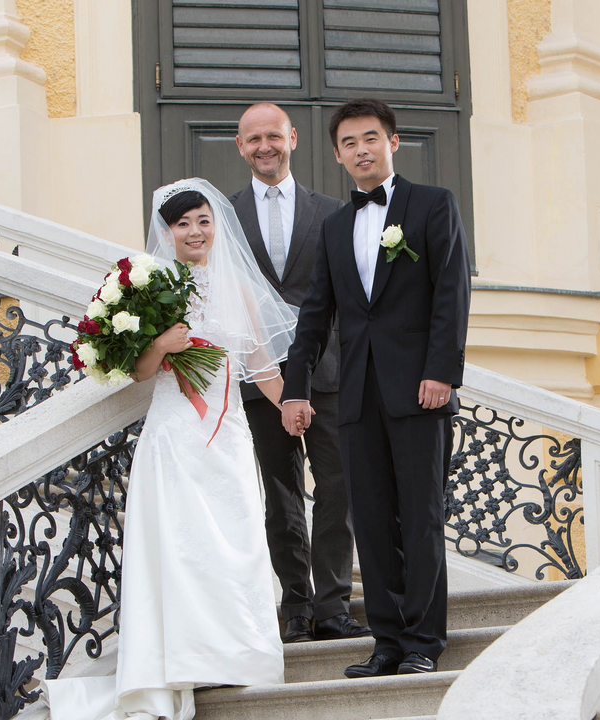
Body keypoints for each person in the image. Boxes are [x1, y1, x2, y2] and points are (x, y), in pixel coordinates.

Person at [44, 179, 296, 720]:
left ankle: (238, 655)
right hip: (174, 436)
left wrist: (292, 410)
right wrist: (160, 343)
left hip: (225, 435)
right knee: (177, 544)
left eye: (203, 220)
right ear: (167, 231)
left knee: (235, 538)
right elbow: (136, 374)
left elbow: (263, 368)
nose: (194, 231)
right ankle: (178, 658)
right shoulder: (149, 290)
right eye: (182, 224)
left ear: (216, 224)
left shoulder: (238, 289)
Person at [280, 98, 471, 678]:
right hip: (357, 397)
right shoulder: (337, 226)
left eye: (371, 138)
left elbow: (451, 292)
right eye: (348, 143)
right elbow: (316, 314)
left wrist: (441, 371)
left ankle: (422, 642)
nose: (360, 150)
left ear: (393, 142)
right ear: (337, 155)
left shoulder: (433, 205)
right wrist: (295, 387)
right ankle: (386, 641)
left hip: (419, 391)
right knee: (370, 520)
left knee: (419, 518)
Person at [226, 103, 368, 643]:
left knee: (338, 489)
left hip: (329, 373)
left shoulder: (334, 211)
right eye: (253, 138)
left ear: (293, 139)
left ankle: (333, 605)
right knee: (279, 494)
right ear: (240, 146)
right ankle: (295, 608)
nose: (265, 146)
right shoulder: (223, 215)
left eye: (274, 136)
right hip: (257, 375)